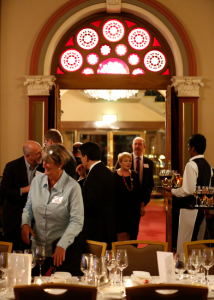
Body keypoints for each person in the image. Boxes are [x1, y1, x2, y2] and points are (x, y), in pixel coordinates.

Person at [21, 144, 84, 275]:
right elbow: (28, 207)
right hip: (37, 251)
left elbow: (77, 221)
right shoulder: (37, 180)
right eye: (43, 161)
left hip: (61, 252)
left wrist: (62, 244)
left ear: (60, 163)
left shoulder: (73, 187)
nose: (43, 165)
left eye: (48, 162)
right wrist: (25, 223)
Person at [164, 134, 212, 242]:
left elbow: (188, 190)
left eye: (188, 147)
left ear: (193, 148)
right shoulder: (207, 165)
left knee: (184, 244)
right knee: (196, 243)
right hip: (201, 210)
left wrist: (171, 190)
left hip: (190, 210)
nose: (188, 149)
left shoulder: (191, 165)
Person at [0, 141, 43, 251]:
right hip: (14, 217)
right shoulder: (12, 167)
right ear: (27, 156)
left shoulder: (43, 167)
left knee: (30, 252)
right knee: (12, 252)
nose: (41, 155)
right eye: (38, 153)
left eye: (41, 151)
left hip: (36, 219)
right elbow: (4, 191)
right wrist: (24, 190)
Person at [77, 142, 116, 248]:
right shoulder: (104, 171)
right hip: (106, 226)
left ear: (85, 157)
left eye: (81, 157)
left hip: (96, 230)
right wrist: (83, 178)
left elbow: (91, 204)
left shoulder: (95, 175)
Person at [115, 137, 154, 213]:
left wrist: (145, 198)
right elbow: (116, 176)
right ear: (132, 146)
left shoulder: (149, 162)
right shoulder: (124, 159)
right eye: (135, 144)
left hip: (142, 198)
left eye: (139, 144)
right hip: (125, 198)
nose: (137, 146)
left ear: (144, 146)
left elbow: (150, 182)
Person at [113, 152, 143, 241]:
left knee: (132, 235)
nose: (128, 163)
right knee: (120, 234)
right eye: (125, 161)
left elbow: (140, 192)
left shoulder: (134, 174)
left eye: (130, 161)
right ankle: (120, 253)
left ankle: (132, 253)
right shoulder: (114, 175)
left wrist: (142, 206)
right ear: (120, 162)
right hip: (119, 211)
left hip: (133, 210)